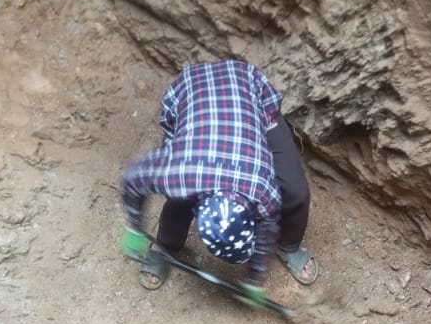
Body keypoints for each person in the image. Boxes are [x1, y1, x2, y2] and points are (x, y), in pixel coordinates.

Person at [120, 60, 318, 301]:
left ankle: (289, 247)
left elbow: (267, 226)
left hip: (249, 89)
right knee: (180, 200)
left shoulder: (262, 191)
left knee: (295, 191)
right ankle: (166, 246)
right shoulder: (178, 172)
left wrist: (254, 279)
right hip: (192, 88)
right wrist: (135, 227)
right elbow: (132, 179)